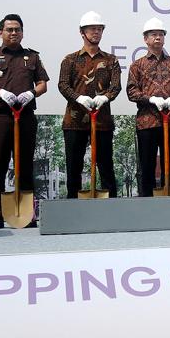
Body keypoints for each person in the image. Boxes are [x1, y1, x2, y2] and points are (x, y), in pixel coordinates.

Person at [0, 14, 49, 229]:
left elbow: (43, 84)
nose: (13, 33)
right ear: (1, 33)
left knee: (24, 165)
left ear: (22, 32)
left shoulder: (32, 57)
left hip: (24, 117)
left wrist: (32, 93)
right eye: (9, 29)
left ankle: (27, 214)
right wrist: (0, 93)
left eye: (17, 29)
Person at [58, 11, 122, 198]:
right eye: (92, 28)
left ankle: (111, 208)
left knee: (106, 166)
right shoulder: (70, 59)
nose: (96, 32)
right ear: (82, 32)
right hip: (74, 121)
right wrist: (78, 98)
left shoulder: (111, 60)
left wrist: (106, 97)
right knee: (74, 167)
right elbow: (63, 84)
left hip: (101, 121)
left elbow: (116, 86)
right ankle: (73, 207)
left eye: (99, 29)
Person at [126, 17, 170, 197]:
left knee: (168, 166)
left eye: (161, 34)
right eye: (153, 34)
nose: (158, 38)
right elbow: (131, 91)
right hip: (146, 123)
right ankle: (146, 204)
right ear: (145, 39)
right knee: (146, 167)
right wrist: (150, 99)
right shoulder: (137, 65)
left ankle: (169, 202)